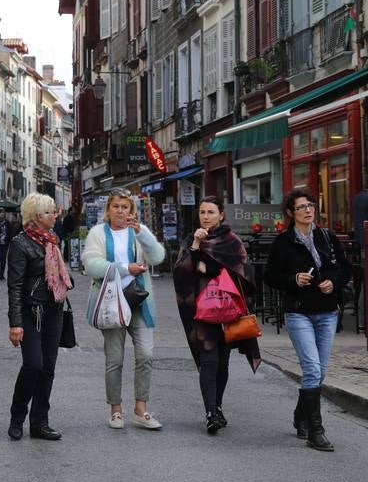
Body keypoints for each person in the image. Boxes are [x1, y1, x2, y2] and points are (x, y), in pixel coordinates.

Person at [264, 187, 351, 452]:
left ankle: (301, 416)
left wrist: (332, 283)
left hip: (326, 311)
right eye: (301, 207)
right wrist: (294, 279)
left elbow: (344, 268)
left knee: (320, 371)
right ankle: (316, 431)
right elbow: (269, 276)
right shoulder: (283, 242)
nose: (308, 210)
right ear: (291, 212)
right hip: (299, 312)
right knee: (312, 368)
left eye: (310, 205)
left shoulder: (326, 237)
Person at [173, 195, 261, 435]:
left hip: (228, 311)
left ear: (221, 214)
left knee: (222, 363)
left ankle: (218, 406)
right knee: (209, 361)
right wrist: (195, 248)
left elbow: (240, 271)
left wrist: (205, 264)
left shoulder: (232, 241)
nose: (205, 216)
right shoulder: (191, 240)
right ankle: (211, 412)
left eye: (211, 212)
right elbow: (182, 271)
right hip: (201, 312)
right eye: (202, 212)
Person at [82, 189, 165, 430]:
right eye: (116, 206)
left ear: (132, 211)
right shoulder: (98, 233)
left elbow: (158, 256)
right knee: (115, 359)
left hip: (138, 301)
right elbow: (91, 264)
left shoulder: (138, 232)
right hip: (111, 302)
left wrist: (142, 233)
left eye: (125, 207)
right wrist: (126, 268)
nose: (121, 211)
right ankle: (116, 410)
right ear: (109, 209)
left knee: (146, 354)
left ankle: (141, 409)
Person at [7, 193, 72, 441]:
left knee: (48, 368)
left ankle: (40, 423)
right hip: (30, 313)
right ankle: (17, 417)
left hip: (54, 310)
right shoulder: (20, 244)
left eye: (54, 211)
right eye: (49, 212)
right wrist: (15, 323)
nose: (54, 216)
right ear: (36, 217)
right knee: (33, 364)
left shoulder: (52, 241)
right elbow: (14, 286)